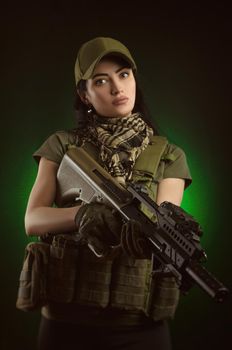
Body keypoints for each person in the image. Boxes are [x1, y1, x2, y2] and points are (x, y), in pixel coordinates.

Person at [24, 37, 192, 350]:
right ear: (83, 94)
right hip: (66, 322)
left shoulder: (169, 155)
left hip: (139, 325)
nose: (117, 88)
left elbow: (162, 222)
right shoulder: (63, 145)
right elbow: (33, 220)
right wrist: (82, 214)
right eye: (102, 81)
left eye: (124, 74)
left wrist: (147, 233)